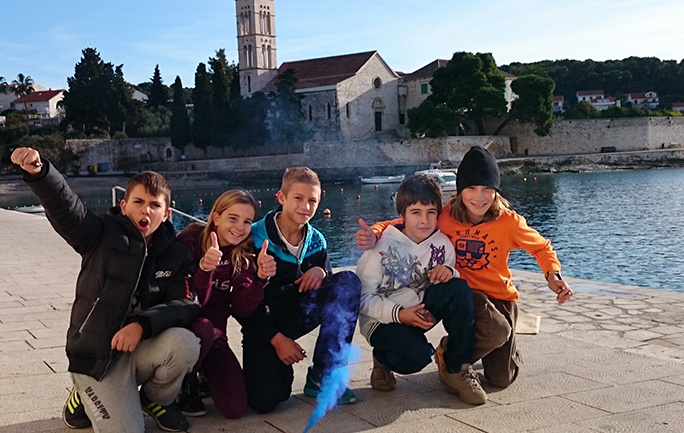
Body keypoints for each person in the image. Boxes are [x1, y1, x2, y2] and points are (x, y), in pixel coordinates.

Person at [10, 147, 201, 433]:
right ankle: (81, 394)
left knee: (186, 343)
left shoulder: (177, 254)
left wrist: (141, 325)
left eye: (155, 205)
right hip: (98, 354)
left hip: (141, 347)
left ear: (167, 214)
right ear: (124, 206)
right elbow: (67, 208)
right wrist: (40, 173)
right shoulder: (99, 234)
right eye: (138, 202)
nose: (146, 211)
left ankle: (155, 399)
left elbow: (186, 303)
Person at [358, 146, 572, 395]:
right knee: (497, 331)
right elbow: (403, 222)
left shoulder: (509, 222)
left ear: (496, 191)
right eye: (471, 188)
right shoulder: (446, 215)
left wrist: (552, 275)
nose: (479, 197)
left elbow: (541, 247)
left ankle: (454, 351)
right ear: (460, 191)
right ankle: (454, 364)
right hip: (463, 293)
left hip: (499, 295)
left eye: (487, 189)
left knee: (502, 378)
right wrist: (374, 234)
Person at [241, 166, 362, 413]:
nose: (305, 207)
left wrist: (322, 271)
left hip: (299, 313)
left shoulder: (317, 240)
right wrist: (277, 340)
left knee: (347, 283)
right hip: (262, 323)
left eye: (312, 201)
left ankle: (323, 372)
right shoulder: (252, 238)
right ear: (281, 197)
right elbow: (241, 306)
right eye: (298, 198)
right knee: (265, 401)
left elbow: (331, 292)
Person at [356, 173, 483, 404]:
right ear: (402, 215)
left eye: (431, 212)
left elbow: (449, 281)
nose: (424, 220)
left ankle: (458, 368)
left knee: (459, 288)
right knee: (418, 357)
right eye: (416, 212)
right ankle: (382, 359)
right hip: (382, 321)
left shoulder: (443, 244)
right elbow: (361, 299)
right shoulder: (379, 248)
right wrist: (399, 314)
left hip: (419, 310)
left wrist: (449, 272)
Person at [176, 189, 277, 418]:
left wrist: (260, 280)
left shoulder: (243, 255)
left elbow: (242, 309)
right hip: (183, 328)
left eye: (247, 221)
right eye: (233, 218)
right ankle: (186, 383)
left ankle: (204, 372)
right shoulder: (190, 241)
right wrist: (205, 269)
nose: (239, 227)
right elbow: (189, 302)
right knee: (202, 327)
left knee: (235, 407)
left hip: (214, 336)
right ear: (216, 218)